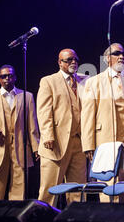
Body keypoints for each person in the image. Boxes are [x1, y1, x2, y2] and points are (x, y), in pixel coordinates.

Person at [81, 43, 124, 202]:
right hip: (106, 136)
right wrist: (88, 144)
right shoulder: (94, 82)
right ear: (107, 58)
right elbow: (87, 114)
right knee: (108, 181)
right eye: (117, 53)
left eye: (123, 53)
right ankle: (109, 218)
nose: (121, 56)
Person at [0, 64, 40, 200]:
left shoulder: (27, 96)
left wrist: (36, 147)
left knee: (19, 189)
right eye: (3, 76)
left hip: (20, 148)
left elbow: (32, 125)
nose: (7, 78)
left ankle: (14, 218)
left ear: (15, 77)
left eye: (10, 75)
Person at [37, 49, 88, 207]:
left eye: (76, 59)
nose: (74, 62)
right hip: (56, 143)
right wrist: (47, 136)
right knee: (49, 189)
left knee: (78, 190)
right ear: (60, 63)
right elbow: (44, 110)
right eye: (69, 60)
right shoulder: (49, 81)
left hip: (79, 143)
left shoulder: (85, 80)